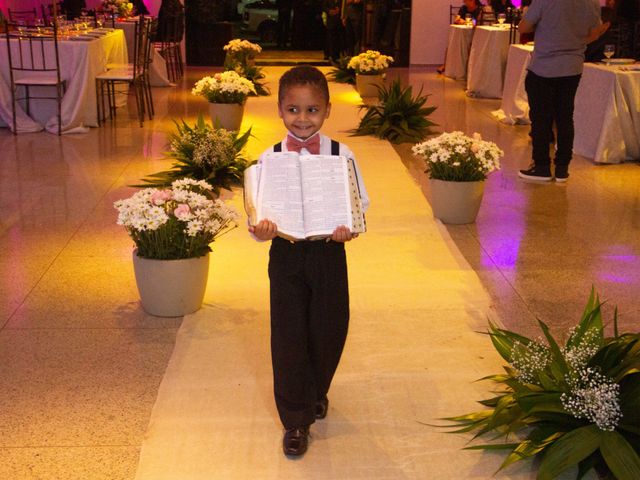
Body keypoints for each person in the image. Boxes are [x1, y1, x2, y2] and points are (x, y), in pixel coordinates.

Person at [249, 65, 369, 457]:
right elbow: (256, 210)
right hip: (286, 253)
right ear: (280, 110)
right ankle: (296, 419)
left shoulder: (341, 154)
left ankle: (317, 389)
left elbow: (358, 203)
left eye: (312, 110)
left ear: (328, 110)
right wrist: (262, 228)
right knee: (288, 334)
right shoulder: (269, 157)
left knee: (329, 327)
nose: (303, 119)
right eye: (294, 110)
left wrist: (347, 227)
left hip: (327, 252)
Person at [517, 0, 609, 182]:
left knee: (541, 118)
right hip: (572, 67)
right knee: (565, 117)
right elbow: (593, 34)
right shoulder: (591, 3)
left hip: (544, 67)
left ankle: (542, 166)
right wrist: (573, 41)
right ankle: (562, 168)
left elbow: (523, 28)